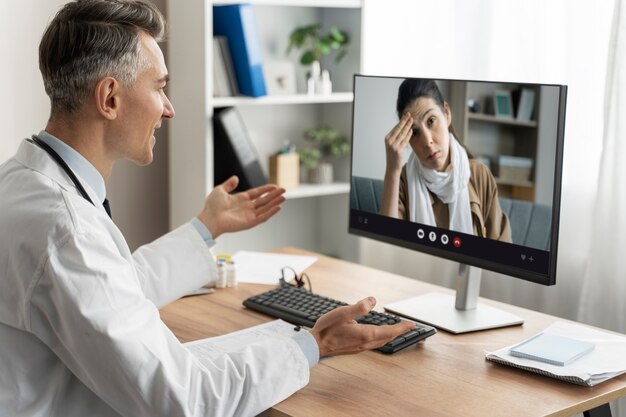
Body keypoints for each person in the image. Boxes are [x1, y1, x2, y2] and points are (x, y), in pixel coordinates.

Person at [0, 1, 415, 416]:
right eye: (159, 87)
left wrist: (206, 227)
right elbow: (187, 401)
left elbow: (111, 287)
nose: (169, 107)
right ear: (110, 98)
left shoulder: (19, 182)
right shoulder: (67, 230)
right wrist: (314, 345)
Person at [379, 78, 512, 241]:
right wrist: (392, 170)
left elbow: (502, 253)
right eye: (414, 133)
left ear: (446, 113)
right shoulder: (403, 180)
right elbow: (385, 246)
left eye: (431, 121)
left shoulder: (479, 175)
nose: (427, 141)